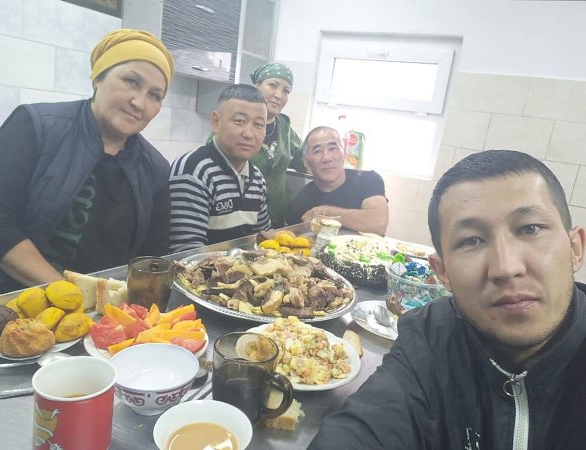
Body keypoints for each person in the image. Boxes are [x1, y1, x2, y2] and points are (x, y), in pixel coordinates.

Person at [308, 149, 586, 449]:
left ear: (575, 248)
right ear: (442, 273)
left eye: (530, 229)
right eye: (471, 241)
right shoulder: (431, 339)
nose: (506, 268)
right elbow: (362, 428)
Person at [0, 29, 174, 297]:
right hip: (12, 295)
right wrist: (69, 294)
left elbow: (153, 255)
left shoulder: (155, 168)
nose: (139, 102)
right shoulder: (35, 126)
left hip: (105, 309)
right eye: (131, 81)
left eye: (155, 95)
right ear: (98, 76)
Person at [169, 84, 271, 251]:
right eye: (239, 121)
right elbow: (186, 251)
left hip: (245, 265)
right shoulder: (194, 170)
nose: (249, 134)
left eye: (259, 124)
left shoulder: (257, 179)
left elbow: (264, 238)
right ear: (216, 122)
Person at [286, 126, 388, 235]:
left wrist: (325, 213)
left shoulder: (368, 180)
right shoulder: (299, 203)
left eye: (333, 149)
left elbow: (378, 224)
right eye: (317, 151)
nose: (327, 158)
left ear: (343, 153)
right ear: (305, 161)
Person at [249, 62, 305, 228]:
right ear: (257, 86)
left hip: (277, 218)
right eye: (273, 85)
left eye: (286, 91)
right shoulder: (238, 123)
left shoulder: (285, 129)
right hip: (241, 218)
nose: (279, 95)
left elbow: (306, 159)